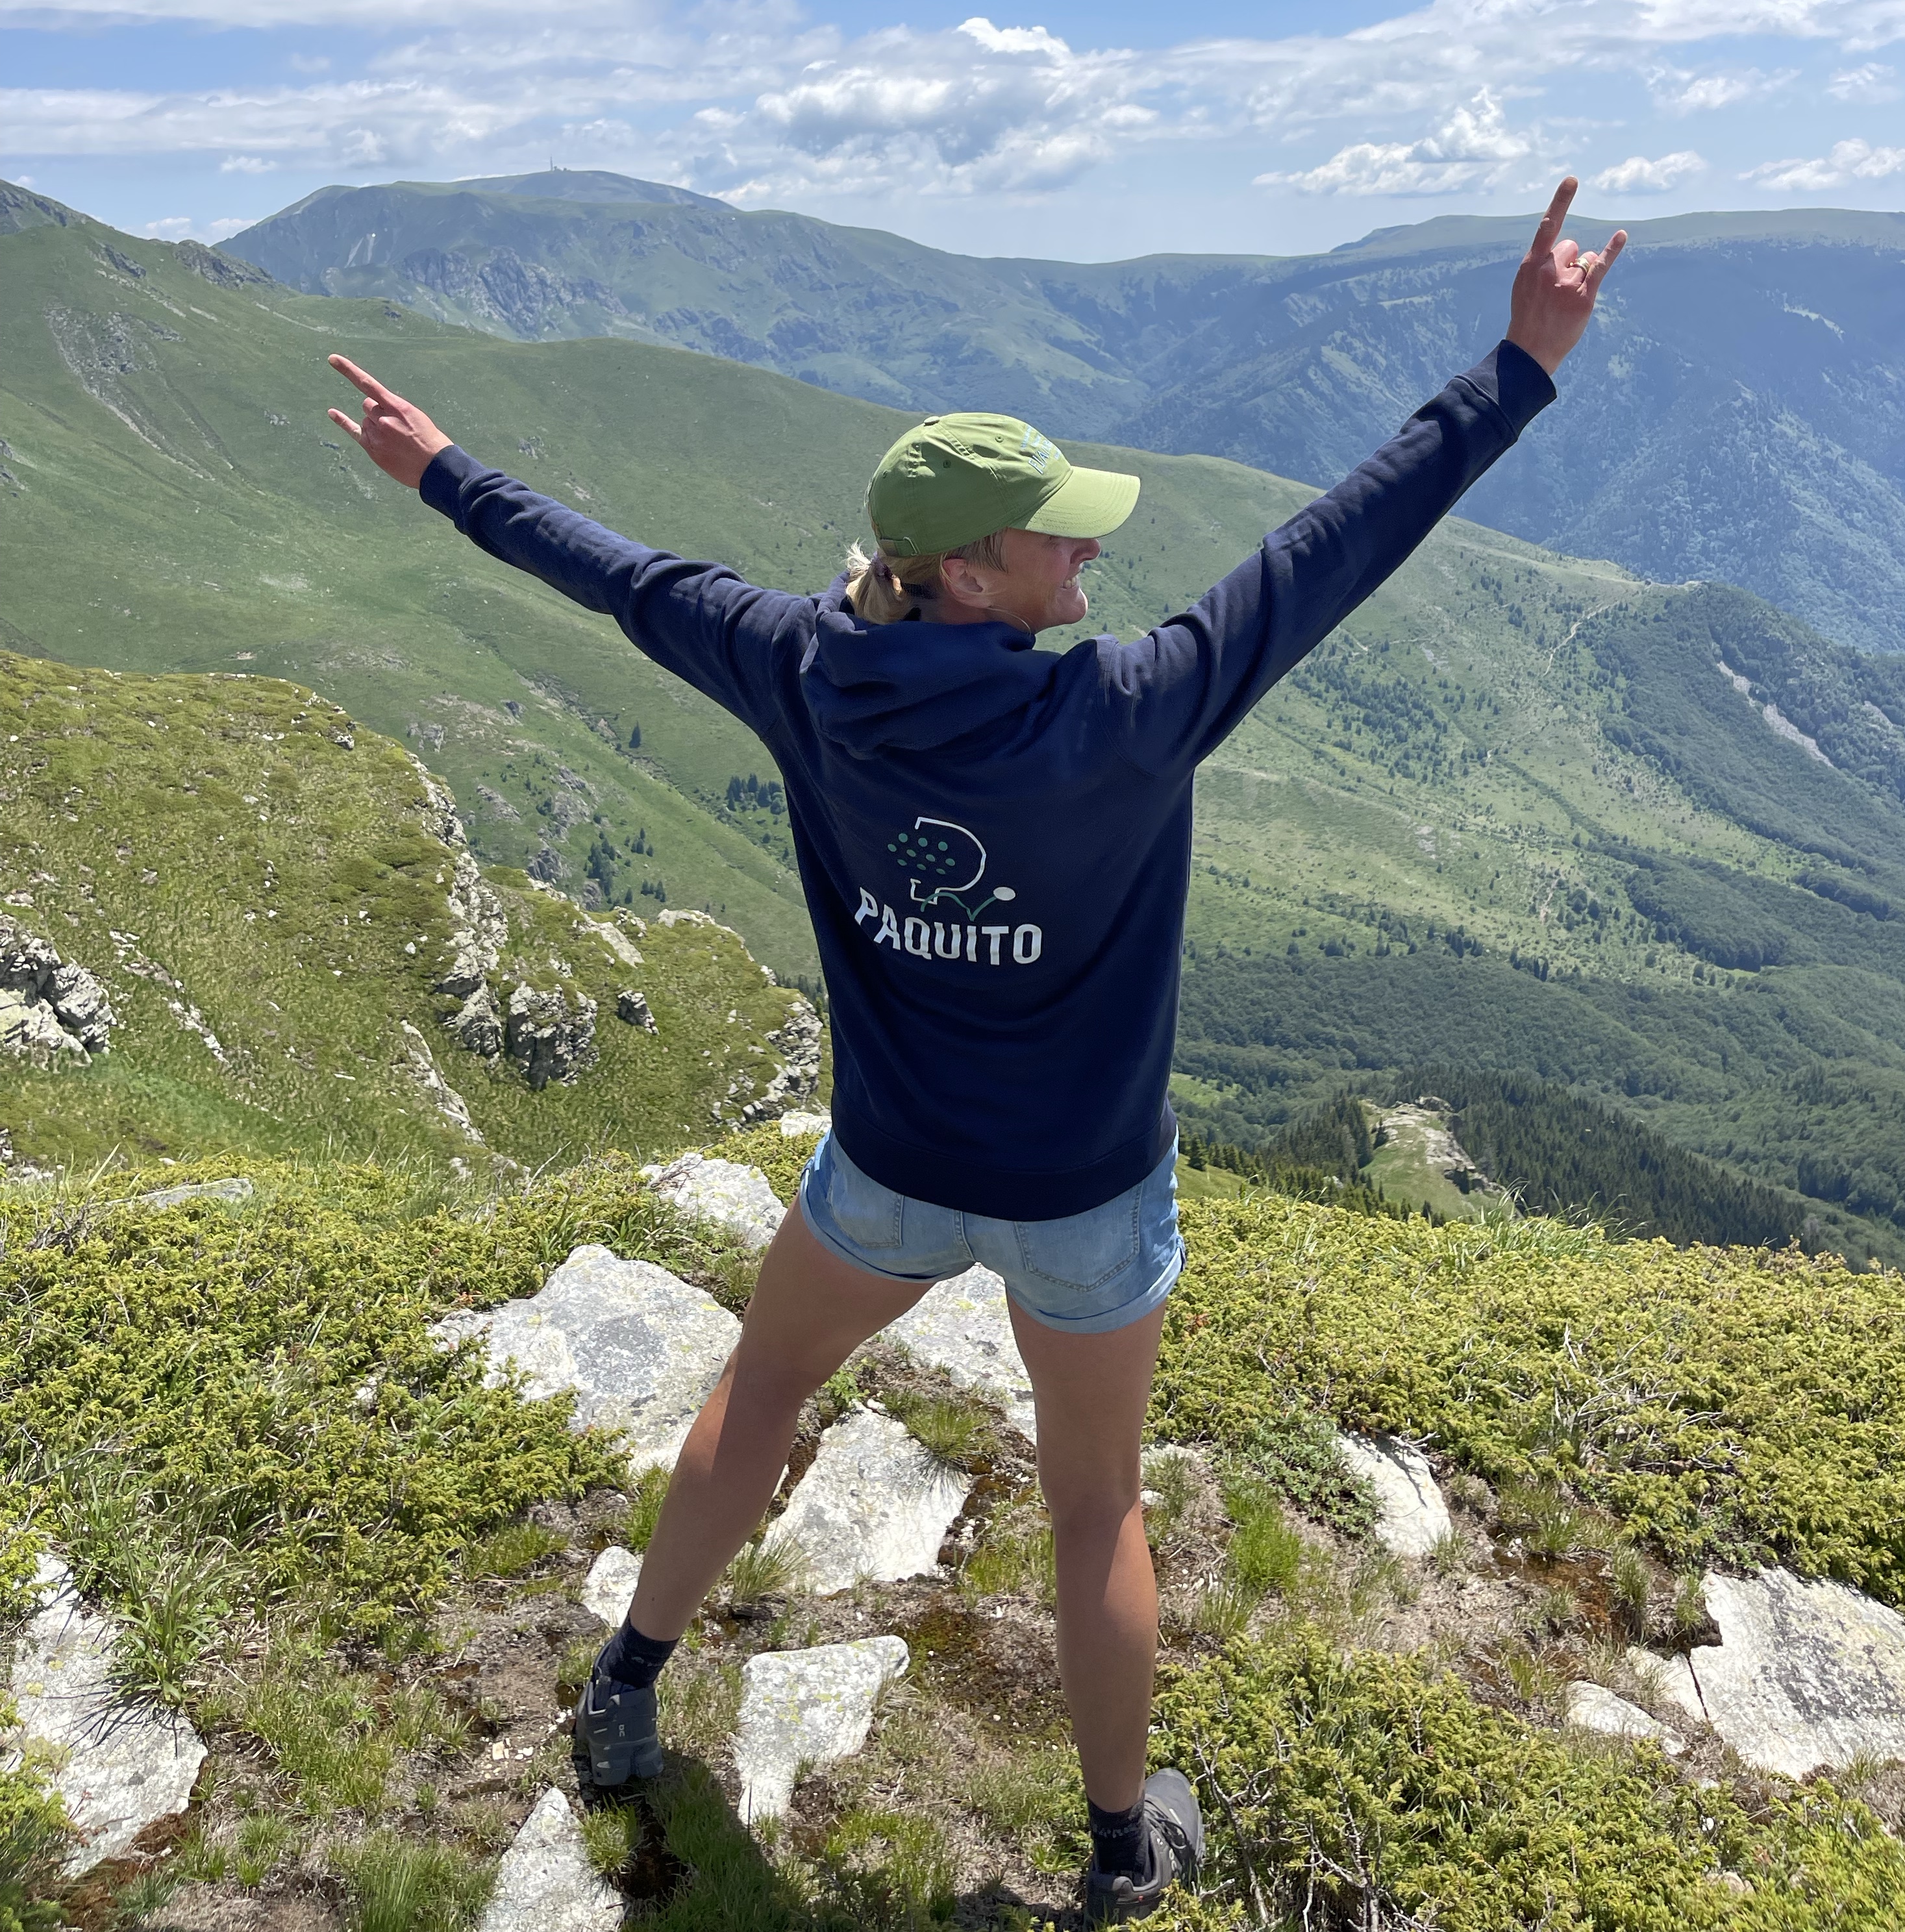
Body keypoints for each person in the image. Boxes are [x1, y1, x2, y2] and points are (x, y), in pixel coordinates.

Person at [328, 179, 1624, 1922]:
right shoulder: (1131, 709)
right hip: (1085, 1197)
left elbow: (616, 580)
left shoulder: (800, 669)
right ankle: (1120, 1852)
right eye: (1055, 541)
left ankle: (628, 1685)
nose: (1090, 560)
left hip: (890, 1172)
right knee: (1094, 1512)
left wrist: (443, 474)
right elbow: (1336, 545)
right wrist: (1519, 370)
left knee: (763, 1396)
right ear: (963, 570)